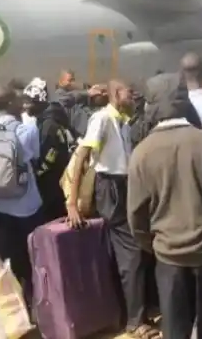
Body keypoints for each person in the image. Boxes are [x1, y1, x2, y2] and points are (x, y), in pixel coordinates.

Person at [127, 73, 202, 339]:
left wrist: (154, 245)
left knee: (175, 328)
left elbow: (136, 217)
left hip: (168, 256)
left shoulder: (141, 153)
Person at [67, 80, 158, 339]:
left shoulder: (123, 122)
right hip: (111, 189)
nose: (133, 95)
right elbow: (83, 156)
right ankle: (134, 321)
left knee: (131, 252)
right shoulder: (103, 119)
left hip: (122, 186)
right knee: (131, 254)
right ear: (117, 95)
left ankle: (135, 313)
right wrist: (73, 203)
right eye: (129, 92)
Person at [0, 86, 44, 310]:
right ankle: (35, 308)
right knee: (32, 260)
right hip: (27, 205)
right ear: (11, 104)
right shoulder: (28, 130)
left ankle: (16, 310)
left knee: (7, 260)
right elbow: (34, 157)